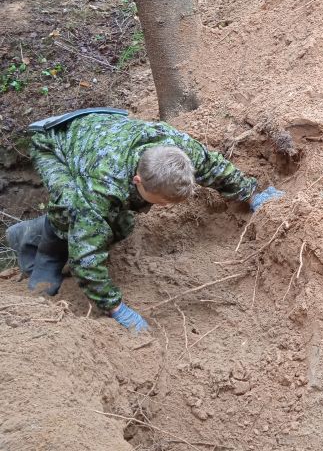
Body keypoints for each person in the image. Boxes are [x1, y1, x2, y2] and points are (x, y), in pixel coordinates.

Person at [5, 109, 280, 332]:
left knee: (120, 224)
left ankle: (33, 235)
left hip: (100, 130)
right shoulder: (102, 187)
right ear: (137, 180)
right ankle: (39, 255)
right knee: (72, 208)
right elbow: (85, 257)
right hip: (55, 143)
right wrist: (115, 308)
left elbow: (218, 169)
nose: (163, 208)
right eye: (159, 201)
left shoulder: (180, 151)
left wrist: (254, 195)